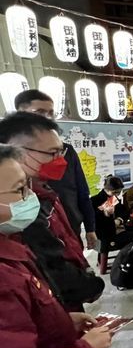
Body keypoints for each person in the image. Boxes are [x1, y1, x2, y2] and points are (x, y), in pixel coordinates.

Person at [0, 143, 112, 348]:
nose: (30, 198)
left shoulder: (11, 244)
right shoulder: (3, 277)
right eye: (19, 190)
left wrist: (58, 321)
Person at [0, 112, 104, 310]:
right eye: (52, 153)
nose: (60, 160)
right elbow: (51, 267)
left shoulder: (44, 192)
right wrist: (89, 285)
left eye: (61, 153)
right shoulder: (15, 211)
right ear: (17, 152)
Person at [15, 90, 97, 249]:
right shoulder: (10, 156)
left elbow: (82, 192)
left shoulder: (67, 152)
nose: (47, 117)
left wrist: (90, 228)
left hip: (70, 230)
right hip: (30, 238)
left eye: (51, 113)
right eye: (39, 112)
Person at [91, 176, 133, 256]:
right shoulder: (94, 200)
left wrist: (119, 219)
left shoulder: (112, 198)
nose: (117, 195)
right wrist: (106, 214)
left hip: (118, 229)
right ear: (107, 189)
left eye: (119, 192)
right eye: (115, 192)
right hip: (105, 236)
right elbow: (93, 221)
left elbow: (124, 212)